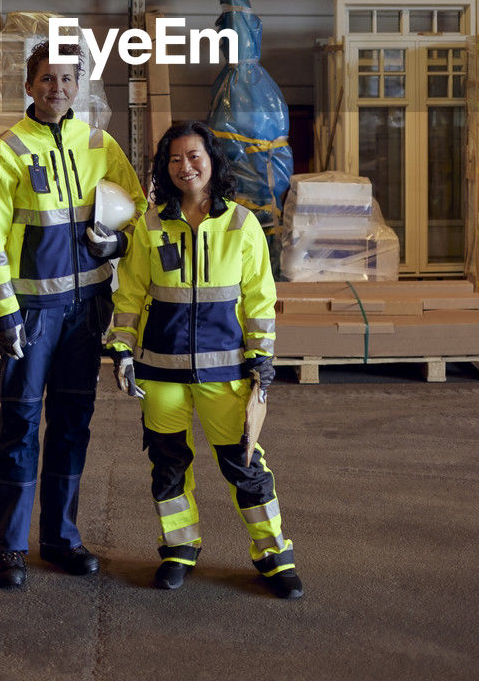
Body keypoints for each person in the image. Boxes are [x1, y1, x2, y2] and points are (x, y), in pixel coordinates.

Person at [0, 40, 147, 591]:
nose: (58, 88)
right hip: (33, 315)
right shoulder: (7, 150)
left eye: (68, 79)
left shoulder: (100, 144)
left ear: (81, 86)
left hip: (86, 312)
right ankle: (9, 548)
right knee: (20, 426)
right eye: (47, 79)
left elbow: (137, 212)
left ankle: (61, 539)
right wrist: (5, 316)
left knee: (72, 427)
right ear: (29, 86)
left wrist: (114, 248)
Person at [107, 120, 303, 599]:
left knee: (245, 464)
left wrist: (262, 358)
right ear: (163, 167)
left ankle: (274, 555)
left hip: (226, 371)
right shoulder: (150, 224)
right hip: (161, 370)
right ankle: (179, 549)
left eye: (194, 156)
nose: (185, 166)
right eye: (174, 159)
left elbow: (259, 297)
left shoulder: (241, 223)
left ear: (212, 161)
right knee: (168, 465)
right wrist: (120, 349)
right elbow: (130, 293)